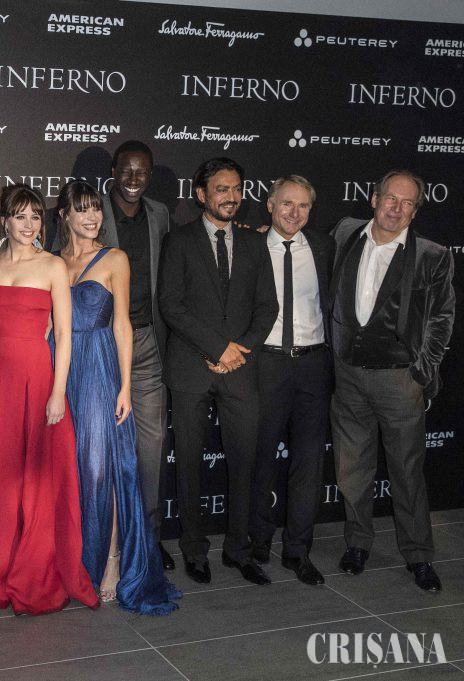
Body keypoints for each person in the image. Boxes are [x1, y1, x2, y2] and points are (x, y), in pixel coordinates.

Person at [0, 184, 97, 615]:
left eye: (35, 217)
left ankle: (29, 568)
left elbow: (63, 334)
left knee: (32, 479)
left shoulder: (52, 266)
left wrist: (58, 392)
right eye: (20, 216)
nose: (29, 225)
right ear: (5, 221)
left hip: (35, 377)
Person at [55, 180, 180, 614]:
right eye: (82, 209)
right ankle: (71, 559)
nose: (92, 217)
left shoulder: (114, 258)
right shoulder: (52, 261)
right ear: (64, 215)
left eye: (95, 209)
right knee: (68, 469)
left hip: (99, 369)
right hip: (60, 368)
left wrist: (125, 384)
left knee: (100, 468)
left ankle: (110, 561)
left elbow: (123, 324)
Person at [330, 170, 455, 593]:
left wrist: (422, 371)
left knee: (407, 472)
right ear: (374, 198)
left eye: (407, 203)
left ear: (415, 211)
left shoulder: (432, 255)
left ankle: (418, 555)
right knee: (352, 469)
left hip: (400, 381)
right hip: (349, 376)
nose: (396, 208)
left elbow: (442, 317)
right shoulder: (345, 233)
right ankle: (357, 543)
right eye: (390, 198)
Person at [158, 157, 278, 586]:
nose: (231, 197)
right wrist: (217, 348)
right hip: (191, 368)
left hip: (241, 369)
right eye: (222, 189)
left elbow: (268, 307)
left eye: (237, 189)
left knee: (244, 462)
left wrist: (238, 352)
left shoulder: (255, 243)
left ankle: (238, 549)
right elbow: (171, 305)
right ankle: (194, 549)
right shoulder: (178, 241)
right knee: (189, 463)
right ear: (201, 194)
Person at [247, 176, 333, 587]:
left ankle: (298, 550)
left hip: (313, 365)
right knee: (260, 457)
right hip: (267, 363)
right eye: (287, 203)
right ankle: (258, 541)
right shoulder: (250, 246)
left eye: (303, 206)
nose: (294, 212)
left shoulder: (324, 247)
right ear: (270, 205)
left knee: (308, 462)